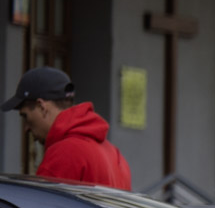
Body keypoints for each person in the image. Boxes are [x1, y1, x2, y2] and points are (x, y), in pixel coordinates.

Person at [3, 67, 132, 189]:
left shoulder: (64, 153)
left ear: (41, 107)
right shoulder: (114, 154)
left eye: (25, 116)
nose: (26, 128)